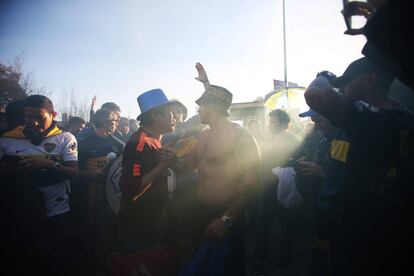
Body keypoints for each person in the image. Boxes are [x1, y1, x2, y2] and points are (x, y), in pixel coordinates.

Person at [305, 57, 414, 275]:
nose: (343, 88)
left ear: (369, 81)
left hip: (360, 236)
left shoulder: (369, 122)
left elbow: (314, 94)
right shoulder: (404, 118)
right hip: (394, 231)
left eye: (348, 82)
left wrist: (324, 79)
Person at [165, 63, 261, 275]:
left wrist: (226, 219)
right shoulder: (204, 135)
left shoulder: (241, 137)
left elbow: (252, 183)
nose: (198, 109)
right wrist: (171, 160)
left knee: (229, 267)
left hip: (227, 215)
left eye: (202, 105)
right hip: (202, 212)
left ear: (215, 108)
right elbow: (188, 167)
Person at [0, 95, 79, 275]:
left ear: (53, 115)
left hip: (58, 210)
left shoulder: (66, 138)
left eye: (40, 118)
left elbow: (74, 172)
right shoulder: (7, 138)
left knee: (55, 258)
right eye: (29, 117)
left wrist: (50, 165)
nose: (34, 123)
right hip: (20, 210)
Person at [116, 88, 178, 275]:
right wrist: (162, 166)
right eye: (170, 113)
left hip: (156, 222)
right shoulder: (139, 143)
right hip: (141, 228)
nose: (174, 117)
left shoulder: (155, 140)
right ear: (156, 116)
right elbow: (130, 188)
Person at [76, 108, 123, 274]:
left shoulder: (118, 143)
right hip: (86, 193)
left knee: (106, 232)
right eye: (113, 121)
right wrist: (90, 175)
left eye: (117, 121)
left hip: (110, 194)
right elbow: (72, 171)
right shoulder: (82, 142)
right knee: (87, 229)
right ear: (103, 122)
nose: (116, 125)